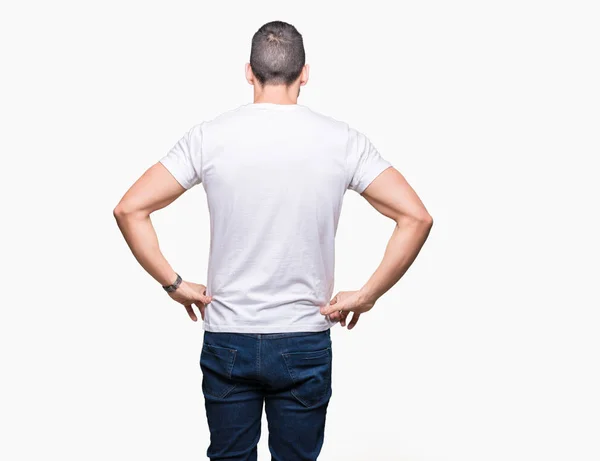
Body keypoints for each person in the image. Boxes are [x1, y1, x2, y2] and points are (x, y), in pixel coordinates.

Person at [113, 20, 433, 461]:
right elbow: (415, 216)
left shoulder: (209, 137)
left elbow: (129, 209)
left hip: (229, 336)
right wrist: (368, 296)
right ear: (304, 73)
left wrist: (174, 284)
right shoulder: (342, 141)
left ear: (248, 71)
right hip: (303, 338)